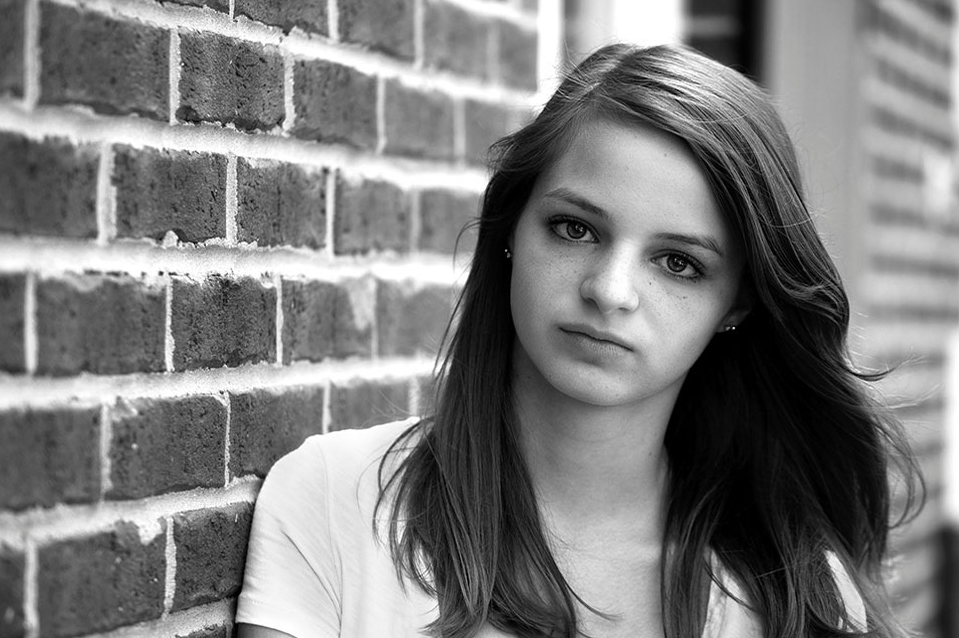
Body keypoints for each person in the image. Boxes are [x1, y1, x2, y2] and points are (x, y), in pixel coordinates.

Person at [235, 43, 922, 638]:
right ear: (510, 230)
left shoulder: (793, 592)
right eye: (574, 229)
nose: (609, 289)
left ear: (735, 302)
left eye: (677, 262)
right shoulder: (336, 500)